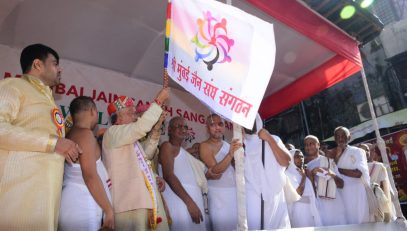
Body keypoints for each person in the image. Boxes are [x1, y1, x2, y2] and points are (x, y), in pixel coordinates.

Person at [0, 44, 82, 230]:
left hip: (46, 201)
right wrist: (52, 142)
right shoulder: (13, 85)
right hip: (16, 200)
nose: (60, 69)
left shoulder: (49, 100)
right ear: (37, 64)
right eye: (55, 63)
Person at [102, 88, 169, 231]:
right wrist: (158, 101)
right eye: (129, 113)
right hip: (129, 204)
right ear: (118, 119)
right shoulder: (112, 133)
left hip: (144, 200)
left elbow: (148, 154)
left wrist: (156, 129)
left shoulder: (129, 138)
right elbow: (140, 127)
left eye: (134, 112)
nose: (135, 116)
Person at [59, 96, 113, 230]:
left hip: (73, 203)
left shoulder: (70, 134)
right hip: (83, 204)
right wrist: (109, 210)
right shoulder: (85, 134)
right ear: (93, 111)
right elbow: (89, 176)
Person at [159, 116, 207, 231]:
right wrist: (190, 203)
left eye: (185, 127)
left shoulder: (185, 153)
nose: (183, 129)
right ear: (169, 130)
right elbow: (169, 176)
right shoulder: (167, 146)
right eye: (178, 126)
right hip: (181, 203)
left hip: (193, 203)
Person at [244, 114, 291, 229]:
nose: (248, 123)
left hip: (275, 194)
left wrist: (269, 139)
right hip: (253, 194)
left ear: (258, 120)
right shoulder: (241, 144)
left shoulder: (273, 138)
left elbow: (286, 161)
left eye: (251, 119)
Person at [199, 114, 240, 231]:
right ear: (207, 128)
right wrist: (230, 154)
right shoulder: (204, 146)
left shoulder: (229, 145)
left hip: (235, 192)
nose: (217, 127)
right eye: (212, 125)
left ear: (225, 126)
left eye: (220, 124)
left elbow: (236, 169)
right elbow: (216, 171)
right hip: (218, 195)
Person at [305, 135, 347, 226]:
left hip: (336, 204)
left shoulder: (329, 161)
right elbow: (309, 191)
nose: (308, 147)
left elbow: (341, 184)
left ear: (318, 144)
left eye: (311, 144)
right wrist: (311, 174)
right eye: (306, 145)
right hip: (320, 206)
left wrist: (331, 174)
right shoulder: (305, 167)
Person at [334, 126, 370, 224]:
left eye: (343, 136)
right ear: (335, 139)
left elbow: (358, 173)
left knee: (363, 222)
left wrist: (337, 170)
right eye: (338, 136)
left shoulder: (357, 151)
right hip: (342, 196)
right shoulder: (332, 155)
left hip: (358, 194)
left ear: (349, 138)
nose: (340, 139)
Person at [286, 149, 321, 228]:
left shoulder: (303, 172)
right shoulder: (288, 174)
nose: (301, 159)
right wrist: (304, 177)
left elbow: (313, 193)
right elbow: (298, 193)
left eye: (302, 157)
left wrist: (309, 177)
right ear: (291, 158)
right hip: (298, 210)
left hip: (311, 209)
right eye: (297, 157)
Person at [360, 143, 395, 222]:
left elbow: (386, 187)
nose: (371, 152)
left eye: (372, 150)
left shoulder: (380, 166)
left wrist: (387, 203)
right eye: (363, 150)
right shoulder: (355, 167)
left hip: (377, 200)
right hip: (361, 200)